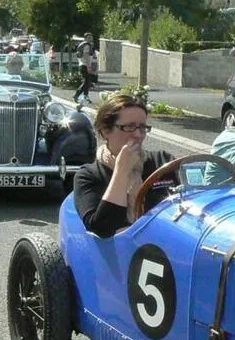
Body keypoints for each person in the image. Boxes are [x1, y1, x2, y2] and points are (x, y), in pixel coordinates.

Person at [73, 95, 176, 238]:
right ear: (105, 130)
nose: (138, 135)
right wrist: (122, 171)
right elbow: (102, 228)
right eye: (129, 127)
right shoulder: (89, 175)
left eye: (142, 127)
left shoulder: (163, 161)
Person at [73, 32, 96, 104]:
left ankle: (85, 96)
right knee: (86, 82)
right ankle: (76, 95)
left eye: (91, 37)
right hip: (85, 65)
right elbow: (86, 56)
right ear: (85, 38)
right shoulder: (86, 45)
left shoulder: (83, 45)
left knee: (87, 82)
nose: (90, 39)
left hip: (82, 65)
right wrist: (89, 66)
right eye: (88, 37)